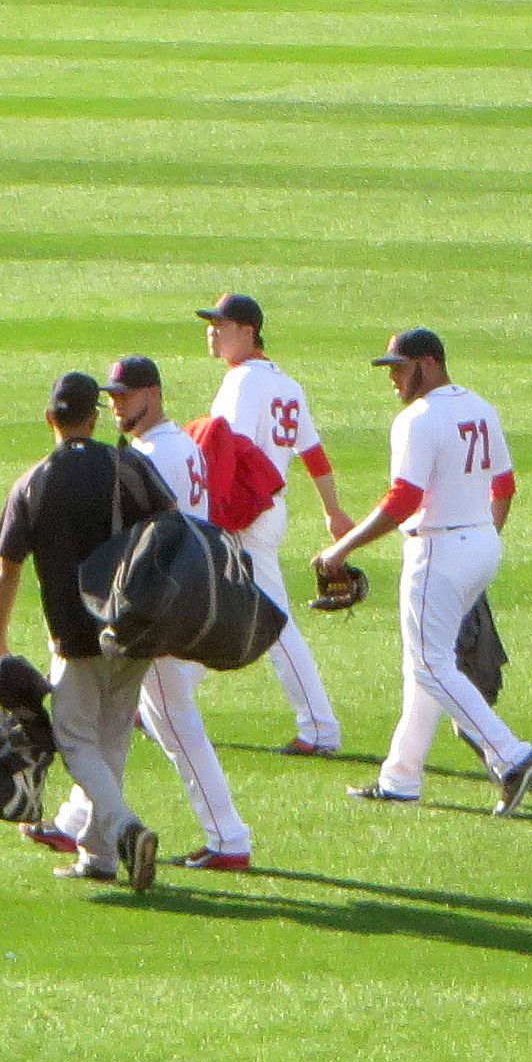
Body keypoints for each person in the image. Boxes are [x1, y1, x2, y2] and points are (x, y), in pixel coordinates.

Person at [315, 327, 532, 812]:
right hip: (480, 542)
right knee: (424, 664)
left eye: (400, 367)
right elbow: (504, 486)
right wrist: (481, 543)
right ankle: (401, 778)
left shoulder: (418, 419)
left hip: (438, 550)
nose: (393, 378)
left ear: (429, 363)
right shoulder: (481, 407)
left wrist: (341, 549)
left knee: (430, 665)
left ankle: (512, 756)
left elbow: (404, 500)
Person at [0, 369, 177, 892]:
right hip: (134, 629)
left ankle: (126, 829)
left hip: (75, 634)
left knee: (74, 742)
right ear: (93, 418)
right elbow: (172, 526)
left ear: (50, 417)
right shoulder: (129, 465)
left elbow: (7, 566)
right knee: (111, 741)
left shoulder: (36, 480)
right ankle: (100, 857)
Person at [78, 353, 254, 871]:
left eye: (126, 396)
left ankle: (229, 838)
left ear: (152, 394)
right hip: (189, 592)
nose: (116, 406)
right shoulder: (181, 445)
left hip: (166, 604)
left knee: (171, 723)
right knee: (134, 717)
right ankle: (75, 822)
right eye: (112, 397)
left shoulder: (151, 454)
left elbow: (148, 539)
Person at [197, 294, 351, 759]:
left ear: (248, 332)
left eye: (222, 324)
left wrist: (213, 510)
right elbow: (314, 454)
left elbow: (229, 453)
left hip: (244, 513)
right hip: (267, 511)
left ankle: (320, 727)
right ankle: (156, 700)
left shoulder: (242, 381)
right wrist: (333, 511)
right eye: (211, 323)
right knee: (207, 606)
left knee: (272, 622)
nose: (212, 331)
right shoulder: (286, 383)